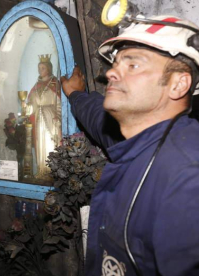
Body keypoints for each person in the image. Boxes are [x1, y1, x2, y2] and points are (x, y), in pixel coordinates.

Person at [60, 16, 199, 275]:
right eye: (115, 63)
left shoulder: (188, 176)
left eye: (133, 64)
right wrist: (74, 94)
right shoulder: (139, 141)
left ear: (179, 84)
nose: (111, 72)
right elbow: (96, 116)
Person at [27, 54, 61, 179]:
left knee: (50, 143)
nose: (40, 71)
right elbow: (31, 104)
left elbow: (59, 103)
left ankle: (52, 170)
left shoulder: (54, 84)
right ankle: (42, 169)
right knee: (39, 144)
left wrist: (58, 116)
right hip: (38, 120)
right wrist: (27, 107)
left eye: (43, 68)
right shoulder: (36, 86)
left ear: (49, 69)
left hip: (50, 119)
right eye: (39, 68)